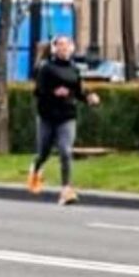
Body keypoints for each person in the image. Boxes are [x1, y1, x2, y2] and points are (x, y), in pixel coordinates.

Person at [29, 34, 101, 205]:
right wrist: (54, 93)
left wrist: (90, 98)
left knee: (65, 151)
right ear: (54, 49)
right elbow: (38, 92)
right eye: (60, 45)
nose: (64, 49)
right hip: (47, 116)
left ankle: (66, 190)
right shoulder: (46, 68)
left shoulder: (74, 70)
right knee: (44, 152)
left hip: (67, 116)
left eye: (66, 45)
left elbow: (78, 91)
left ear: (72, 49)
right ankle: (36, 169)